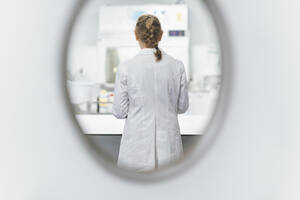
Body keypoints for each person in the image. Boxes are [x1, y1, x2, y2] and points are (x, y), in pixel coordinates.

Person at [112, 14, 189, 172]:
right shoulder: (177, 66)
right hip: (169, 149)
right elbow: (182, 107)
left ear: (136, 35)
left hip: (136, 149)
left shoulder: (126, 67)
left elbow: (119, 112)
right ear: (160, 35)